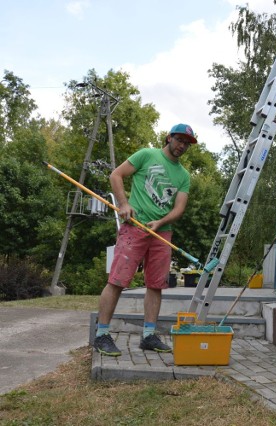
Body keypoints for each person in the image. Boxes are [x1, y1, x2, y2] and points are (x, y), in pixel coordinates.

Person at [92, 123, 197, 356]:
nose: (182, 146)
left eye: (187, 143)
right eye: (179, 140)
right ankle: (101, 335)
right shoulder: (147, 155)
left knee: (156, 284)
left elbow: (179, 209)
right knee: (118, 280)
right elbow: (116, 175)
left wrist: (160, 223)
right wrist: (124, 204)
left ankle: (148, 336)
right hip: (135, 228)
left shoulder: (183, 176)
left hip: (162, 233)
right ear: (169, 138)